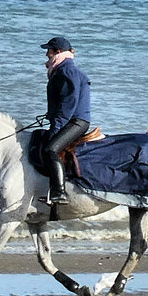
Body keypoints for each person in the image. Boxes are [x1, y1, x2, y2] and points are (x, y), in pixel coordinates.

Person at [41, 35, 92, 205]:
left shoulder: (66, 71)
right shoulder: (63, 69)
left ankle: (58, 193)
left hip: (76, 121)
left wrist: (56, 129)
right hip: (71, 119)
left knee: (50, 150)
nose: (47, 54)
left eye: (49, 50)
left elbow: (69, 103)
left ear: (57, 51)